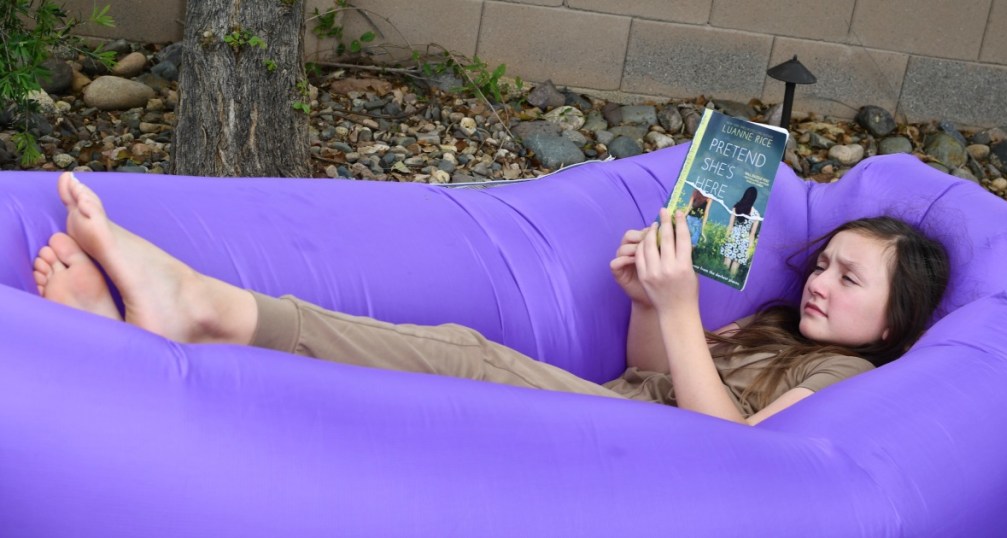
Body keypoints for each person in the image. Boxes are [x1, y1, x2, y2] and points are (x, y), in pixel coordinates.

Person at [33, 173, 950, 426]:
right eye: (823, 264)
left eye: (847, 278)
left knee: (466, 359)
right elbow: (649, 377)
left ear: (895, 321)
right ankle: (157, 344)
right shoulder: (778, 326)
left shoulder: (842, 378)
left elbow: (737, 456)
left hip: (662, 464)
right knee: (450, 370)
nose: (820, 284)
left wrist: (681, 311)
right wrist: (645, 302)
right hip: (625, 417)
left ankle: (206, 312)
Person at [721, 186, 760, 277]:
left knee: (726, 263)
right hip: (744, 239)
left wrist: (726, 238)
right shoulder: (756, 214)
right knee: (735, 265)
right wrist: (750, 248)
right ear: (754, 198)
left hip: (734, 235)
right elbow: (752, 234)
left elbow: (730, 225)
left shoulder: (736, 207)